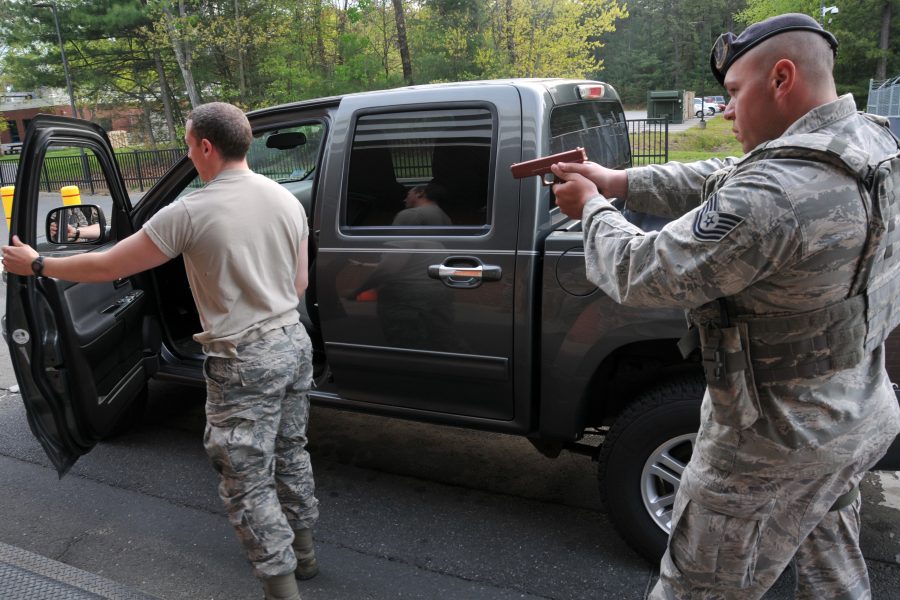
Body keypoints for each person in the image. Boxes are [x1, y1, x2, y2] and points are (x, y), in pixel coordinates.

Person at [550, 13, 900, 600]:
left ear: (782, 77)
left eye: (735, 93)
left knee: (697, 589)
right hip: (856, 414)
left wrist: (590, 207)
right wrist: (617, 181)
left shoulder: (774, 195)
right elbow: (726, 176)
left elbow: (641, 273)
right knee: (831, 569)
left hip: (771, 443)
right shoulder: (871, 144)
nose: (727, 112)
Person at [2, 102, 317, 600]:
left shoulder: (192, 210)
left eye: (188, 143)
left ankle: (281, 588)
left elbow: (108, 268)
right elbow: (297, 283)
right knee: (290, 450)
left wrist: (38, 264)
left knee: (245, 476)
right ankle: (305, 553)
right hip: (293, 343)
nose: (188, 151)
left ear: (205, 147)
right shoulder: (286, 201)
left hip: (243, 358)